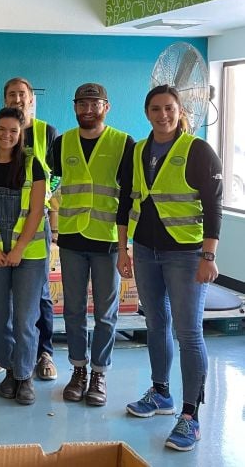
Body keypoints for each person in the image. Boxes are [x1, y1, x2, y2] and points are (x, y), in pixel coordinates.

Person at [119, 84, 222, 452]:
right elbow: (127, 200)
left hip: (186, 254)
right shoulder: (139, 150)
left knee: (189, 332)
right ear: (147, 112)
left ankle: (190, 415)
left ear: (180, 111)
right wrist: (124, 248)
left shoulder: (198, 150)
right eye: (156, 109)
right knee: (156, 322)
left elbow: (213, 205)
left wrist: (209, 256)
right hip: (146, 250)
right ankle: (160, 392)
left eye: (169, 108)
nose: (163, 115)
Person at [48, 83, 135, 407]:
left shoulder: (123, 143)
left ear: (106, 107)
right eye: (81, 103)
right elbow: (52, 185)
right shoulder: (61, 143)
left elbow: (129, 195)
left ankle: (99, 372)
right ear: (74, 107)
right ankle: (78, 370)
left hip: (107, 240)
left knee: (105, 312)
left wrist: (126, 244)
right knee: (72, 310)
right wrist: (52, 224)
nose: (87, 109)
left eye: (94, 103)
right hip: (71, 239)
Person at [0, 77, 58, 380]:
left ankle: (43, 354)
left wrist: (43, 196)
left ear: (31, 99)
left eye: (21, 94)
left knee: (38, 298)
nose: (16, 99)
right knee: (2, 307)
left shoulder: (46, 132)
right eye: (11, 94)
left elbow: (57, 175)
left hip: (33, 227)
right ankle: (9, 357)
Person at [0, 108, 47, 405]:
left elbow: (36, 211)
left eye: (13, 131)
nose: (7, 135)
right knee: (0, 313)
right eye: (2, 129)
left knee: (25, 317)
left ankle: (24, 375)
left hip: (28, 252)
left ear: (21, 136)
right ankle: (8, 369)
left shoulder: (34, 166)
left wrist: (18, 249)